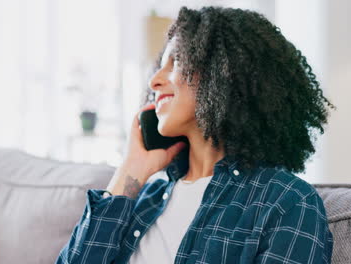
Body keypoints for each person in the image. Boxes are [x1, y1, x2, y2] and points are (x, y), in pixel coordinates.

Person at [56, 5, 336, 264]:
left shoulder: (286, 201)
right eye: (158, 68)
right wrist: (130, 170)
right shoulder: (147, 197)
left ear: (223, 73)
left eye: (175, 62)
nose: (154, 81)